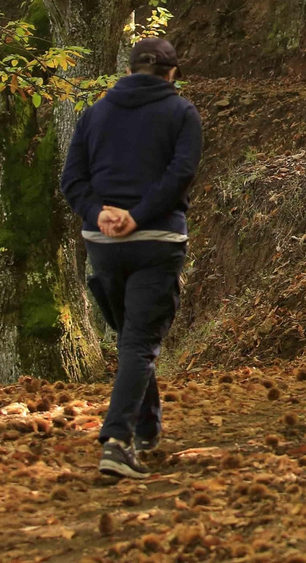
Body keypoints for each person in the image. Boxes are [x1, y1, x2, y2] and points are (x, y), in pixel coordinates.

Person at [60, 37, 203, 479]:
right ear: (173, 73)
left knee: (131, 341)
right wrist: (138, 217)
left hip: (102, 244)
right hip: (156, 241)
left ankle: (146, 428)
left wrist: (99, 213)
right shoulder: (182, 113)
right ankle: (117, 442)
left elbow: (72, 179)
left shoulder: (94, 113)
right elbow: (180, 174)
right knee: (138, 344)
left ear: (128, 70)